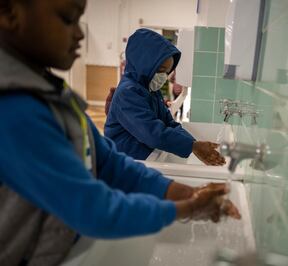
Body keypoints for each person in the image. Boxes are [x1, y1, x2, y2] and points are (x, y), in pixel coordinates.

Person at [0, 0, 240, 265]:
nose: (80, 33)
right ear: (9, 13)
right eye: (68, 19)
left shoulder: (53, 95)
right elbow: (92, 208)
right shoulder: (14, 110)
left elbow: (110, 164)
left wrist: (182, 193)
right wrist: (184, 209)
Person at [104, 29, 226, 165]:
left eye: (167, 72)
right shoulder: (128, 93)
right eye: (160, 70)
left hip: (140, 158)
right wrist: (192, 147)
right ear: (143, 64)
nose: (163, 76)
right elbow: (152, 132)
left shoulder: (150, 89)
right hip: (124, 162)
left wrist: (194, 144)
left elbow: (169, 122)